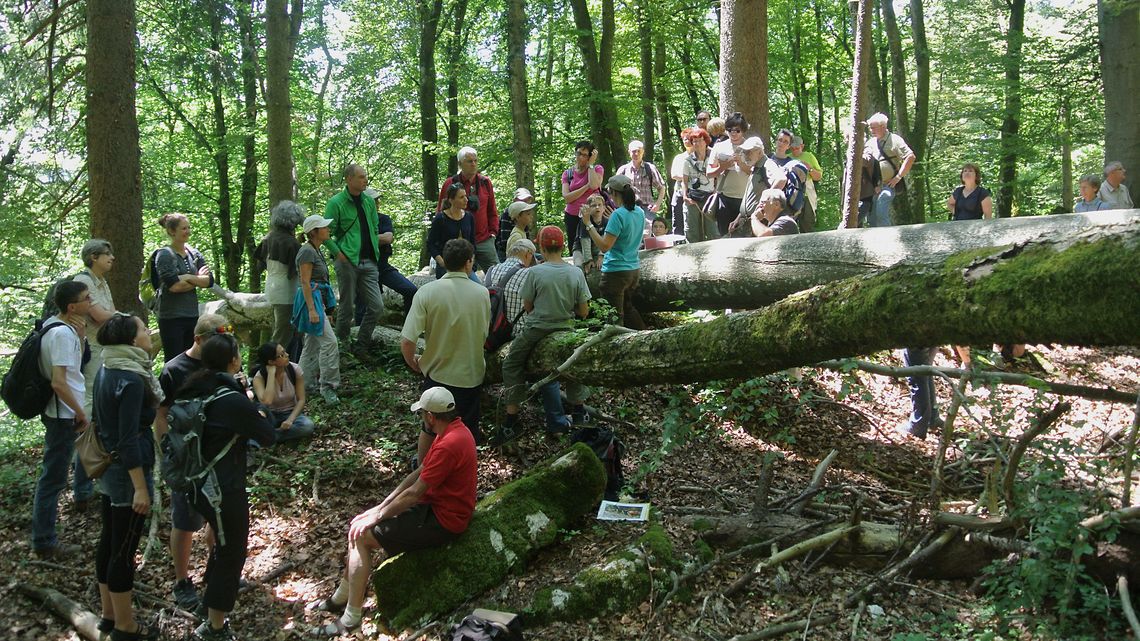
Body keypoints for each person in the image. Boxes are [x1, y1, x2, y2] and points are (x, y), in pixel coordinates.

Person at [309, 387, 476, 637]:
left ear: (430, 416)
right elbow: (418, 473)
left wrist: (377, 516)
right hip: (435, 509)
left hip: (443, 519)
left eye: (422, 414)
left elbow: (414, 494)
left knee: (361, 536)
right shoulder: (453, 430)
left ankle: (351, 616)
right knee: (361, 527)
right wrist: (380, 507)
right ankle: (342, 596)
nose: (422, 418)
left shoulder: (448, 443)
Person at [173, 334, 275, 641]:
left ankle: (210, 604)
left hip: (194, 483)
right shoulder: (229, 399)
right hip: (222, 486)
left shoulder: (191, 389)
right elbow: (267, 434)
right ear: (233, 361)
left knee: (223, 543)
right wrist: (257, 409)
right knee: (233, 551)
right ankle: (214, 627)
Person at [155, 313, 230, 613]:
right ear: (199, 339)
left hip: (218, 455)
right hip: (186, 456)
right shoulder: (174, 370)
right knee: (185, 521)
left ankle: (218, 571)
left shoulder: (222, 364)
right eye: (216, 337)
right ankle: (182, 581)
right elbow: (161, 413)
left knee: (221, 517)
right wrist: (167, 451)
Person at [92, 313, 160, 641]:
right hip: (126, 471)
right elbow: (128, 437)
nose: (149, 333)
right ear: (133, 341)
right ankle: (125, 627)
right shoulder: (131, 379)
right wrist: (140, 488)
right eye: (145, 330)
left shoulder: (107, 367)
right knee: (123, 548)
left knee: (110, 539)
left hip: (110, 466)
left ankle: (108, 615)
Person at [495, 226, 591, 444]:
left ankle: (512, 418)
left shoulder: (534, 272)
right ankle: (579, 409)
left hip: (536, 329)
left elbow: (528, 306)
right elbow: (584, 312)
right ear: (563, 246)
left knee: (511, 363)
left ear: (541, 247)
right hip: (567, 328)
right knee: (575, 363)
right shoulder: (575, 272)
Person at [401, 239, 491, 456]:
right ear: (469, 263)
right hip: (470, 375)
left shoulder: (427, 292)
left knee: (430, 426)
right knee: (466, 430)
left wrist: (413, 362)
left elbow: (407, 340)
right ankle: (461, 475)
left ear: (445, 261)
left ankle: (423, 472)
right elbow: (484, 334)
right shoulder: (482, 294)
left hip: (438, 373)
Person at [31, 280, 92, 560]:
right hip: (62, 415)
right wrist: (80, 413)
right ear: (72, 306)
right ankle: (44, 541)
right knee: (53, 479)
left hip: (63, 412)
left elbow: (71, 371)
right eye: (86, 298)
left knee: (54, 476)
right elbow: (58, 382)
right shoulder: (60, 335)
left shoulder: (64, 329)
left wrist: (80, 338)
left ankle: (45, 538)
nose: (90, 302)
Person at [323, 163, 384, 357]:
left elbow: (375, 227)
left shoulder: (368, 201)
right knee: (347, 306)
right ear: (349, 179)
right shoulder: (336, 202)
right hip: (347, 261)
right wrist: (338, 253)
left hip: (369, 261)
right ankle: (341, 348)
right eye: (361, 177)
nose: (365, 180)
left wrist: (375, 249)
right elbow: (325, 233)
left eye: (365, 176)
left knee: (377, 306)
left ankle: (361, 346)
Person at [582, 174, 646, 329]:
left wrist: (588, 224)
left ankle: (618, 346)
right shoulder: (639, 212)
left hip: (616, 272)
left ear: (615, 194)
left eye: (609, 193)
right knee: (628, 309)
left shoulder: (618, 215)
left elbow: (604, 246)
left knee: (614, 316)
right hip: (633, 270)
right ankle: (643, 336)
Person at [294, 215, 341, 405]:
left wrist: (324, 309)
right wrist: (313, 310)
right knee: (330, 343)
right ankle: (328, 386)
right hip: (310, 302)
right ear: (314, 232)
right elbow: (305, 282)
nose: (328, 229)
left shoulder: (315, 250)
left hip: (316, 301)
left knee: (312, 344)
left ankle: (303, 385)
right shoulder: (307, 252)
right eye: (324, 227)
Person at [154, 213, 213, 362]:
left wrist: (187, 277)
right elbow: (174, 286)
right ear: (172, 232)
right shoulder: (165, 255)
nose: (188, 231)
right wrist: (197, 280)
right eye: (183, 228)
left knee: (194, 359)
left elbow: (209, 281)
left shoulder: (194, 253)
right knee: (175, 360)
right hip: (171, 318)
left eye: (188, 227)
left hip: (192, 315)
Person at [354, 187, 417, 322]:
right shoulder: (355, 220)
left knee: (410, 290)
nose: (377, 204)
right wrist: (375, 239)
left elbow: (388, 238)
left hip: (382, 266)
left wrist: (367, 239)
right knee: (362, 306)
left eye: (377, 201)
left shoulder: (384, 219)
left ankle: (409, 328)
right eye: (374, 201)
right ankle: (358, 338)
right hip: (362, 268)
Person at [436, 146, 500, 272]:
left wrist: (493, 233)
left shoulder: (485, 182)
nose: (474, 164)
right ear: (460, 164)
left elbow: (492, 211)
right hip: (458, 243)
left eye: (475, 160)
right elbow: (441, 213)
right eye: (469, 161)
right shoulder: (450, 184)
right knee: (459, 277)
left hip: (483, 240)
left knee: (498, 274)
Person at [74, 239, 117, 419]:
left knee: (102, 392)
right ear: (94, 256)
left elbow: (111, 313)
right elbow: (100, 316)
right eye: (107, 254)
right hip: (88, 347)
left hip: (102, 346)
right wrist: (123, 316)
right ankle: (85, 440)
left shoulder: (101, 281)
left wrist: (114, 315)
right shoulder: (83, 281)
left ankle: (98, 439)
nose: (112, 258)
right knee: (90, 392)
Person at [255, 200, 305, 353]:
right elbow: (296, 269)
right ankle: (267, 368)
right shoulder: (291, 243)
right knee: (282, 336)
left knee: (285, 333)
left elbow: (261, 265)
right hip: (287, 293)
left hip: (272, 289)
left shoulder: (268, 238)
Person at [251, 342, 316, 443]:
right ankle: (270, 436)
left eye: (285, 352)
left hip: (290, 412)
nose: (287, 355)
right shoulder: (259, 378)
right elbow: (267, 402)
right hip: (270, 414)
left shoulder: (294, 370)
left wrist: (290, 420)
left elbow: (301, 399)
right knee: (256, 426)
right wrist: (271, 374)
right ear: (271, 361)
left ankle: (271, 436)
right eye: (282, 355)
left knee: (307, 426)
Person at [707, 112, 754, 236]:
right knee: (724, 235)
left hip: (746, 199)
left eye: (737, 130)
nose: (733, 133)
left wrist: (741, 165)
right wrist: (724, 166)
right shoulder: (719, 147)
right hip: (724, 199)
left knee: (745, 236)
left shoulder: (751, 147)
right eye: (729, 130)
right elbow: (709, 173)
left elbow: (757, 174)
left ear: (743, 130)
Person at [865, 112, 914, 227]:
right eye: (870, 128)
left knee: (881, 210)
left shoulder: (895, 140)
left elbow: (910, 157)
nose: (871, 130)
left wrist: (898, 177)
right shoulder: (870, 143)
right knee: (871, 217)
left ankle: (887, 238)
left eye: (873, 128)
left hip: (888, 185)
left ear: (883, 126)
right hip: (873, 187)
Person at [733, 137, 788, 236]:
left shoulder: (767, 164)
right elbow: (750, 197)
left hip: (757, 222)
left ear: (759, 152)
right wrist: (737, 219)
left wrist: (764, 204)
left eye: (748, 152)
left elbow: (782, 179)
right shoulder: (756, 167)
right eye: (744, 152)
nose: (745, 155)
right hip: (744, 221)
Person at [427, 182, 478, 280]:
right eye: (461, 197)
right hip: (446, 267)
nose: (466, 200)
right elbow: (430, 243)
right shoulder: (440, 218)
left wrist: (471, 263)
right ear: (451, 200)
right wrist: (442, 262)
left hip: (465, 266)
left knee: (480, 289)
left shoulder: (469, 217)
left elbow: (472, 243)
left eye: (466, 196)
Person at [561, 140, 604, 246]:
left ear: (590, 157)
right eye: (579, 153)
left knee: (594, 246)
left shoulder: (597, 169)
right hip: (572, 216)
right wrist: (586, 187)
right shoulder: (568, 173)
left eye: (584, 155)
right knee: (575, 246)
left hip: (593, 215)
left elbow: (594, 185)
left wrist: (590, 165)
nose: (580, 157)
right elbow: (567, 197)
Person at [679, 127, 718, 243]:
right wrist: (685, 196)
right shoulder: (687, 161)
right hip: (693, 199)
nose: (697, 143)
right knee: (692, 232)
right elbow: (684, 181)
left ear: (706, 141)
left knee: (712, 231)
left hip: (710, 198)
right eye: (694, 141)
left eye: (700, 140)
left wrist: (716, 192)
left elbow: (719, 177)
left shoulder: (713, 158)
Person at [899, 347, 943, 440]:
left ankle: (918, 424)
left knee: (917, 376)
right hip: (934, 336)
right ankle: (933, 418)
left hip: (918, 340)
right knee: (925, 371)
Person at [616, 140, 667, 217]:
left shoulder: (650, 168)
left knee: (648, 229)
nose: (636, 154)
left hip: (647, 210)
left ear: (643, 152)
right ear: (629, 152)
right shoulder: (623, 170)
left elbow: (661, 188)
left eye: (639, 151)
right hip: (628, 209)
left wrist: (657, 204)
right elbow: (614, 190)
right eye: (633, 151)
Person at [790, 135, 823, 232]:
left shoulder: (809, 156)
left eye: (797, 148)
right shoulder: (787, 157)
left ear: (802, 146)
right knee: (792, 222)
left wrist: (809, 168)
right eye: (792, 148)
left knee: (807, 222)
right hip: (793, 192)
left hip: (807, 193)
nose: (795, 150)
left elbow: (818, 177)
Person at [496, 187, 535, 260]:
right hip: (506, 254)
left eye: (528, 199)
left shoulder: (524, 219)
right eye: (523, 199)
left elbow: (526, 237)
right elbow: (505, 241)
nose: (525, 202)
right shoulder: (508, 215)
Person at [574, 193, 610, 272]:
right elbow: (585, 241)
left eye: (599, 205)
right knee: (578, 266)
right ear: (589, 209)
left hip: (597, 248)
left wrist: (601, 256)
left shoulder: (607, 221)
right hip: (580, 249)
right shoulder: (584, 221)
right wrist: (588, 260)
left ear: (604, 208)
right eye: (594, 205)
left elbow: (606, 240)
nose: (597, 207)